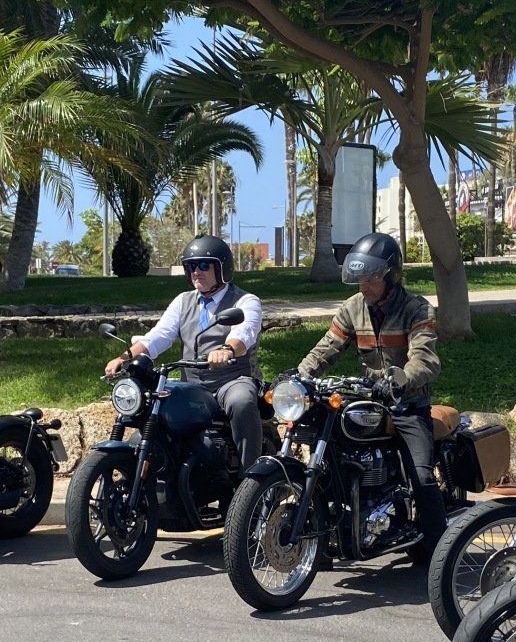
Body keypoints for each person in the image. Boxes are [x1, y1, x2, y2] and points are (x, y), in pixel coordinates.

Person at [294, 231, 446, 542]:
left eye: (371, 278)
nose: (364, 285)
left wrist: (400, 381)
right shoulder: (353, 307)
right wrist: (299, 375)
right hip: (367, 400)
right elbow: (327, 348)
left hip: (407, 404)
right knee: (327, 455)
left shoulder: (416, 309)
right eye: (360, 278)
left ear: (392, 276)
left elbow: (424, 359)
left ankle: (439, 552)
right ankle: (322, 538)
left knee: (422, 476)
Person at [105, 235, 264, 467]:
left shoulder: (245, 301)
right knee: (153, 407)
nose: (196, 272)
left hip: (231, 379)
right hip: (191, 384)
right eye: (190, 266)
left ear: (222, 268)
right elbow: (158, 336)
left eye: (203, 265)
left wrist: (227, 349)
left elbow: (244, 334)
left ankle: (252, 481)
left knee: (242, 402)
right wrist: (124, 357)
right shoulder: (183, 301)